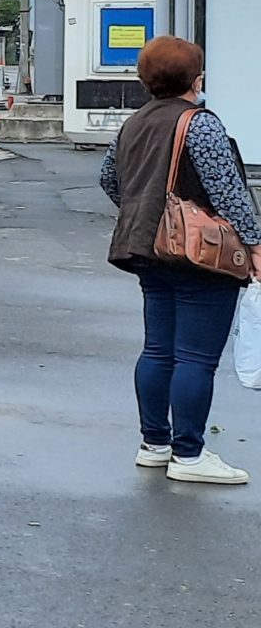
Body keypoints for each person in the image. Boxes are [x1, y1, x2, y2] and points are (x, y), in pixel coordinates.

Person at [98, 34, 256, 484]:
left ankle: (155, 444)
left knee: (158, 349)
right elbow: (229, 193)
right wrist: (255, 244)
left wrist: (151, 214)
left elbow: (109, 179)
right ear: (196, 79)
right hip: (199, 255)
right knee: (196, 358)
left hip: (148, 249)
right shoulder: (199, 123)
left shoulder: (133, 123)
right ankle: (189, 455)